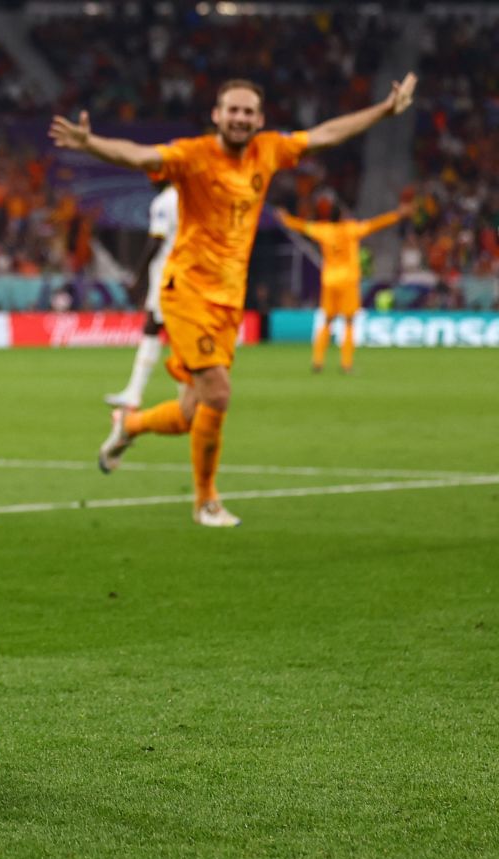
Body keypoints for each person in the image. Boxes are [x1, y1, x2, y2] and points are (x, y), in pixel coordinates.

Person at [50, 73, 417, 527]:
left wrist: (383, 109)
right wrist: (92, 144)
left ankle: (129, 425)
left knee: (190, 413)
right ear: (217, 115)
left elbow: (325, 135)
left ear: (259, 119)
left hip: (228, 300)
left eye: (249, 112)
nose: (240, 118)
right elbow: (141, 155)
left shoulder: (269, 150)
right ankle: (206, 501)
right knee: (219, 394)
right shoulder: (193, 155)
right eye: (233, 110)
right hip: (186, 291)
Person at [275, 203, 411, 373]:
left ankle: (317, 361)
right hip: (347, 281)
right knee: (349, 322)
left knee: (327, 321)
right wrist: (397, 214)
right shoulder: (351, 229)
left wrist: (285, 218)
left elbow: (302, 226)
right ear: (342, 216)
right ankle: (346, 364)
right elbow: (376, 224)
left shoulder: (323, 230)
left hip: (330, 280)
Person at [104, 179, 178, 410]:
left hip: (168, 275)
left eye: (153, 173)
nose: (149, 179)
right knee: (161, 328)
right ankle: (137, 392)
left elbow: (157, 241)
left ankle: (137, 394)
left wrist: (138, 276)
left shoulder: (165, 202)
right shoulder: (190, 197)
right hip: (186, 273)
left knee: (157, 327)